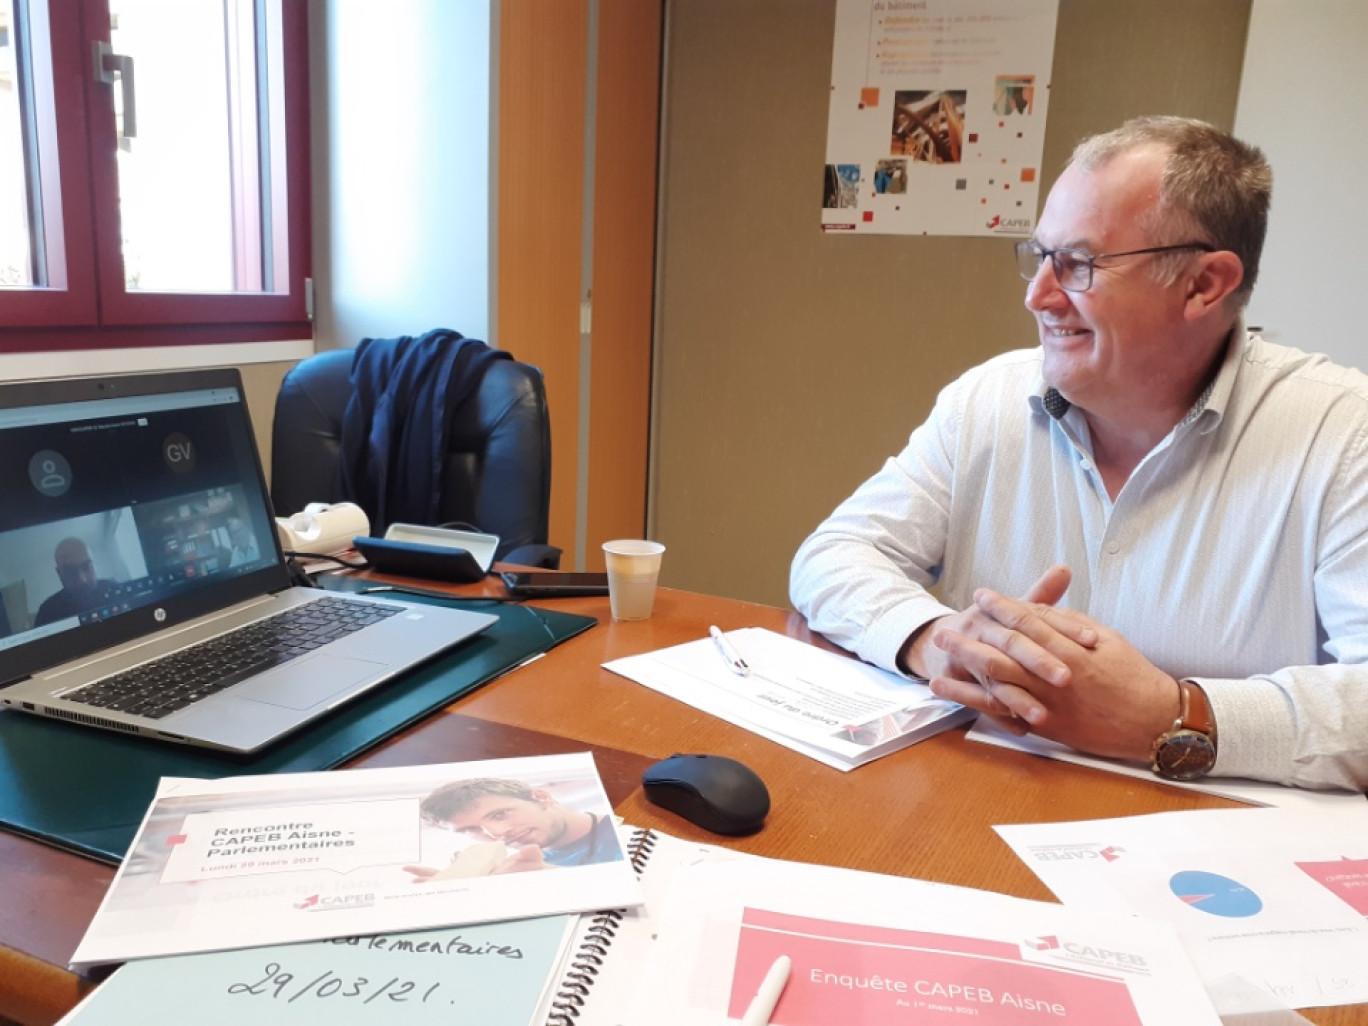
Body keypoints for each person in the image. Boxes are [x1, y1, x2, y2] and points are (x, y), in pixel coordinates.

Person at [790, 115, 1368, 794]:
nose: (1038, 296)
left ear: (1205, 285)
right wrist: (942, 641)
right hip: (981, 804)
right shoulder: (989, 399)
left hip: (1223, 853)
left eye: (1079, 264)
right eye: (1039, 257)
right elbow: (834, 554)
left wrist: (1171, 716)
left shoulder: (1342, 435)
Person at [404, 777, 620, 879]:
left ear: (541, 798)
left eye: (499, 814)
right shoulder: (516, 871)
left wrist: (554, 878)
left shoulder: (626, 832)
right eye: (470, 830)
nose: (495, 833)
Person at [34, 537, 119, 626]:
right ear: (59, 574)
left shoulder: (113, 588)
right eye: (70, 572)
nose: (82, 580)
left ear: (94, 565)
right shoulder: (47, 611)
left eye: (87, 567)